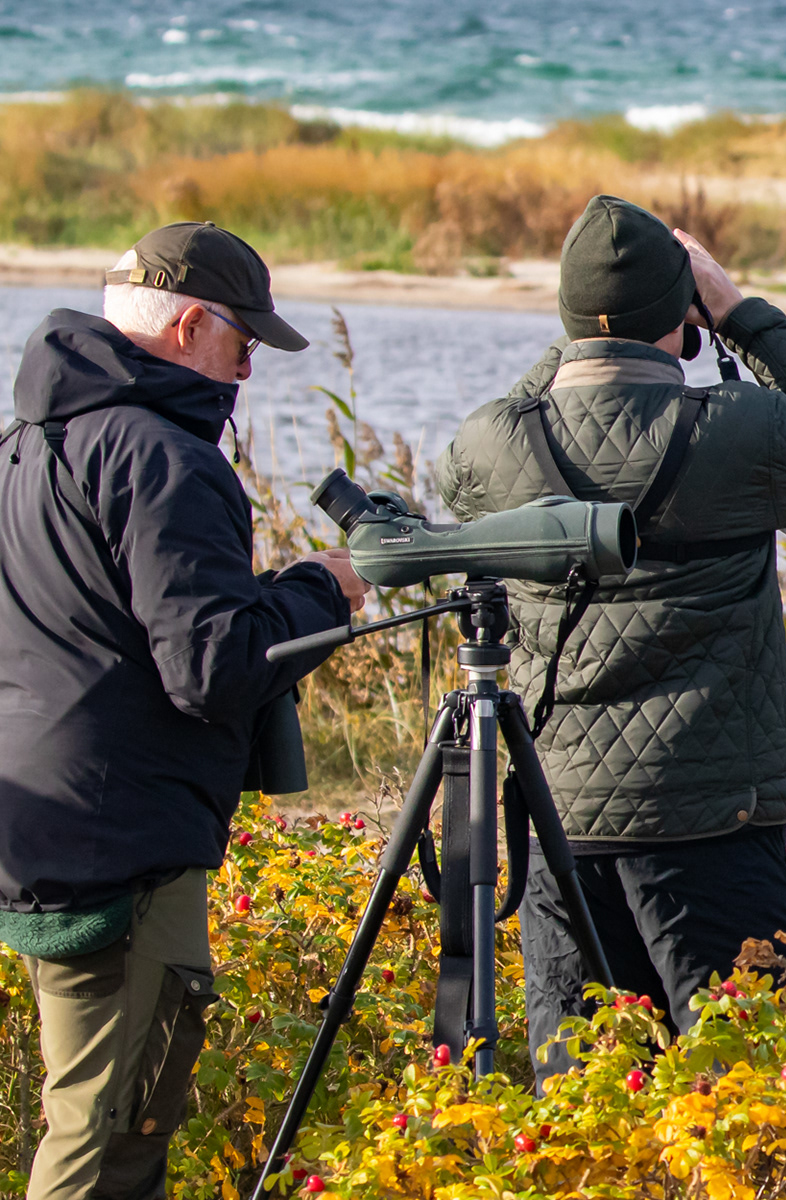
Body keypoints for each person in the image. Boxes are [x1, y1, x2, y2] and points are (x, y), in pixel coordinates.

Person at [437, 196, 786, 1083]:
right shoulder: (736, 428)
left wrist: (580, 341)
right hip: (712, 822)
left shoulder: (498, 442)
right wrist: (742, 317)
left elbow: (476, 456)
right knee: (760, 1096)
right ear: (682, 316)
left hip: (559, 823)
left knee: (582, 1108)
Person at [0, 222, 367, 1200]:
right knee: (108, 1134)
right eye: (245, 344)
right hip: (124, 844)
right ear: (193, 325)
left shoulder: (29, 439)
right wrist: (323, 589)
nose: (248, 371)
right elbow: (213, 666)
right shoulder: (163, 458)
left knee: (96, 1111)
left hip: (41, 820)